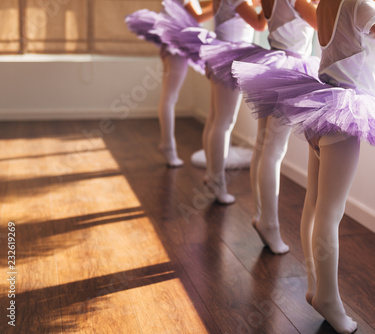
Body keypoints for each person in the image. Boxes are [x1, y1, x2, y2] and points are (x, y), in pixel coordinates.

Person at [233, 0, 375, 332]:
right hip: (343, 119)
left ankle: (316, 286)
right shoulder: (359, 5)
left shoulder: (332, 3)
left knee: (315, 206)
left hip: (321, 110)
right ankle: (328, 298)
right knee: (330, 214)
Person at [228, 0, 319, 254]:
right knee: (274, 151)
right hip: (289, 69)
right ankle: (268, 221)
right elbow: (326, 26)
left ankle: (261, 214)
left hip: (272, 63)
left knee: (263, 145)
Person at [126, 0, 213, 167]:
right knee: (170, 98)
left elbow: (191, 9)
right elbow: (198, 16)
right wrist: (224, 6)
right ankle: (168, 146)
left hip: (171, 46)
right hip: (175, 48)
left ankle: (167, 144)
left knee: (169, 97)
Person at [200, 0, 267, 204]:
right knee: (224, 123)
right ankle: (217, 181)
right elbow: (259, 24)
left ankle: (211, 173)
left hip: (219, 55)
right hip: (229, 59)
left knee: (215, 119)